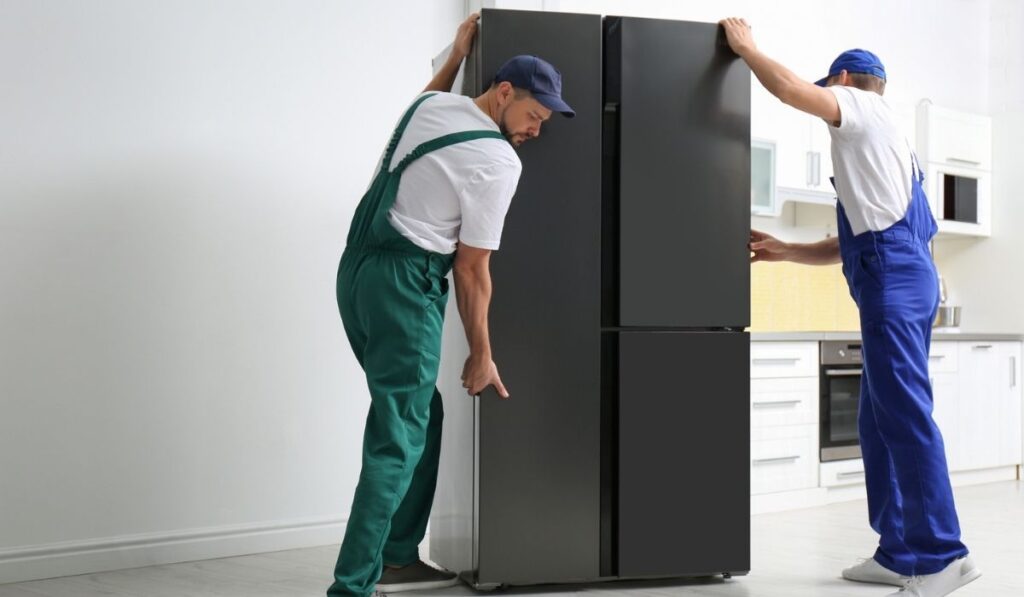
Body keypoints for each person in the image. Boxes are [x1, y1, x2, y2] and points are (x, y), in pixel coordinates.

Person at [720, 17, 981, 597]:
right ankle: (898, 551)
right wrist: (787, 250)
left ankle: (942, 555)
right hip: (901, 272)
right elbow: (857, 239)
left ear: (842, 80)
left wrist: (747, 49)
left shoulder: (858, 107)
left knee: (905, 415)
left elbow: (790, 89)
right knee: (877, 420)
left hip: (893, 279)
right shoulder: (892, 147)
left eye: (831, 89)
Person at [328, 13, 575, 597]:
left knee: (419, 415)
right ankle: (352, 586)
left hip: (356, 274)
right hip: (405, 282)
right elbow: (472, 267)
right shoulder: (497, 161)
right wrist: (482, 354)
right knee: (399, 434)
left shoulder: (429, 109)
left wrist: (457, 53)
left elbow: (432, 93)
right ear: (506, 93)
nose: (536, 131)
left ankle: (395, 554)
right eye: (534, 115)